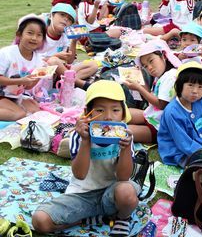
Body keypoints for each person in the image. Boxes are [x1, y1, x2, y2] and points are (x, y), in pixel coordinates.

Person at [32, 80, 140, 236]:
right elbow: (80, 174)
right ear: (88, 113)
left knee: (127, 192)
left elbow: (123, 177)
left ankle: (122, 218)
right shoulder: (79, 136)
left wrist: (124, 150)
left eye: (115, 110)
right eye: (100, 110)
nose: (108, 117)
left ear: (123, 114)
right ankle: (85, 220)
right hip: (83, 196)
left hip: (112, 194)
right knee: (40, 220)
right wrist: (86, 141)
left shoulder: (125, 137)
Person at [125, 40, 182, 143]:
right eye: (145, 66)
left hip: (162, 128)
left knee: (124, 131)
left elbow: (161, 104)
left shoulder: (171, 76)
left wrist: (139, 88)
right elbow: (151, 97)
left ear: (163, 56)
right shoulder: (160, 75)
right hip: (153, 116)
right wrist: (140, 80)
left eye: (151, 61)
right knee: (121, 112)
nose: (149, 68)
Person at [41, 3, 98, 90]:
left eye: (69, 19)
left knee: (93, 65)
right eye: (62, 15)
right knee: (53, 61)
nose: (65, 19)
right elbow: (35, 60)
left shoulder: (65, 37)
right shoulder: (40, 34)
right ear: (51, 16)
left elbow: (69, 60)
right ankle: (79, 83)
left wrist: (74, 41)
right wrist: (56, 56)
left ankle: (65, 82)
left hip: (60, 71)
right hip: (43, 72)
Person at [0, 14, 46, 121]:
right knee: (19, 114)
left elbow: (27, 87)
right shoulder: (6, 54)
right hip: (2, 94)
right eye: (30, 33)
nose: (34, 38)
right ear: (19, 35)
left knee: (36, 111)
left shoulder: (38, 60)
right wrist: (21, 80)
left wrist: (38, 76)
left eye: (39, 35)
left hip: (14, 96)